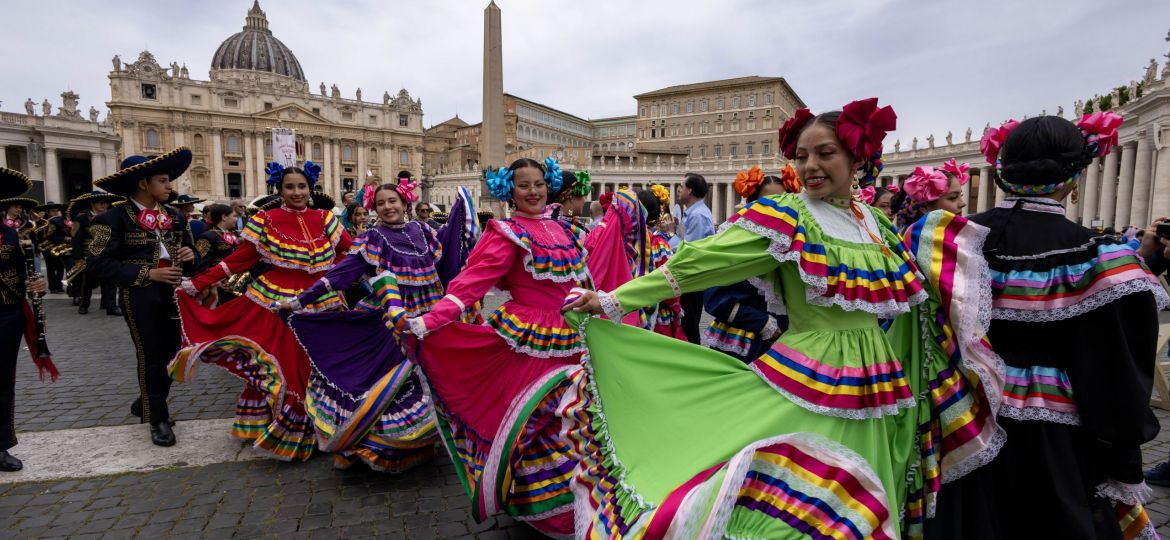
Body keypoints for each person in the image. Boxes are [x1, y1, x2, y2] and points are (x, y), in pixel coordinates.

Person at [563, 98, 1004, 538]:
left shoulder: (875, 223)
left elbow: (916, 295)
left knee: (864, 497)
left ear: (857, 158)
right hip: (813, 377)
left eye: (825, 153)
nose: (810, 165)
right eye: (801, 156)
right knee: (805, 509)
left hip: (879, 381)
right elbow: (700, 262)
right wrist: (613, 301)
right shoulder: (788, 215)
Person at [926, 113, 1165, 539]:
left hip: (959, 421)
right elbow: (1117, 376)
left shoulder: (945, 240)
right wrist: (1122, 461)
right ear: (1073, 177)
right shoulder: (1100, 259)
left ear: (999, 171)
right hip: (1052, 441)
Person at [400, 158, 592, 537]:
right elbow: (471, 283)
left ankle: (584, 498)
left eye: (539, 183)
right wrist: (430, 321)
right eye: (524, 185)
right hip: (531, 340)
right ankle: (545, 508)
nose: (533, 192)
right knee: (536, 422)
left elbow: (585, 280)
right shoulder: (506, 232)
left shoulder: (566, 230)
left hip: (576, 335)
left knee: (578, 417)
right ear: (510, 190)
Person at [281, 182, 478, 471]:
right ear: (374, 208)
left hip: (430, 320)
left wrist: (461, 210)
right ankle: (380, 448)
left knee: (434, 381)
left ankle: (422, 443)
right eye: (381, 203)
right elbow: (341, 274)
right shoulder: (373, 238)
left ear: (405, 202)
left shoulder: (424, 231)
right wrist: (301, 301)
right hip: (393, 322)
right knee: (391, 384)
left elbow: (448, 253)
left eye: (393, 201)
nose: (388, 207)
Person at [171, 162, 349, 461]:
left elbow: (350, 251)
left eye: (301, 186)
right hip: (278, 300)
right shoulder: (266, 219)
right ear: (279, 190)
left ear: (311, 189)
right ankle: (295, 429)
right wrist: (197, 284)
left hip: (321, 298)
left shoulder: (326, 218)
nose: (297, 192)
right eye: (290, 187)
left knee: (322, 362)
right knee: (289, 362)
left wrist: (339, 272)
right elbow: (238, 261)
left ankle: (325, 423)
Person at [88, 148, 197, 447]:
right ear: (142, 184)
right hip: (140, 295)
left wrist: (191, 254)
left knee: (175, 354)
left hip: (174, 293)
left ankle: (147, 400)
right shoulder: (112, 219)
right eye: (163, 180)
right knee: (150, 355)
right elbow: (97, 264)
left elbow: (193, 252)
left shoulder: (175, 217)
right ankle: (157, 417)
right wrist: (148, 274)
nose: (170, 186)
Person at [700, 165, 790, 362]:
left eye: (783, 202)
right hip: (744, 345)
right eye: (768, 204)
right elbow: (715, 300)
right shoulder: (735, 243)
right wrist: (765, 323)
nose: (777, 210)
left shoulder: (795, 245)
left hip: (786, 346)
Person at [0, 168, 54, 472]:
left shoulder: (7, 232)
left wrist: (35, 285)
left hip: (6, 312)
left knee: (3, 381)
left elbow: (21, 272)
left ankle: (1, 444)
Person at [67, 191, 123, 315]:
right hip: (89, 255)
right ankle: (84, 305)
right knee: (88, 282)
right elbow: (76, 239)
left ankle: (111, 306)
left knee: (110, 280)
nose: (105, 206)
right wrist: (77, 257)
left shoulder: (112, 216)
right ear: (92, 204)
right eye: (101, 203)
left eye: (106, 203)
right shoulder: (81, 218)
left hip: (109, 253)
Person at [674, 172, 715, 344]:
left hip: (691, 279)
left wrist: (668, 238)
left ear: (690, 190)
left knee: (689, 327)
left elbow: (690, 251)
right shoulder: (694, 213)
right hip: (690, 279)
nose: (678, 189)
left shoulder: (698, 215)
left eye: (682, 186)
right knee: (688, 324)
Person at [890, 159, 969, 230]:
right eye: (953, 197)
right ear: (924, 206)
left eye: (960, 195)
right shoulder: (924, 241)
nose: (963, 204)